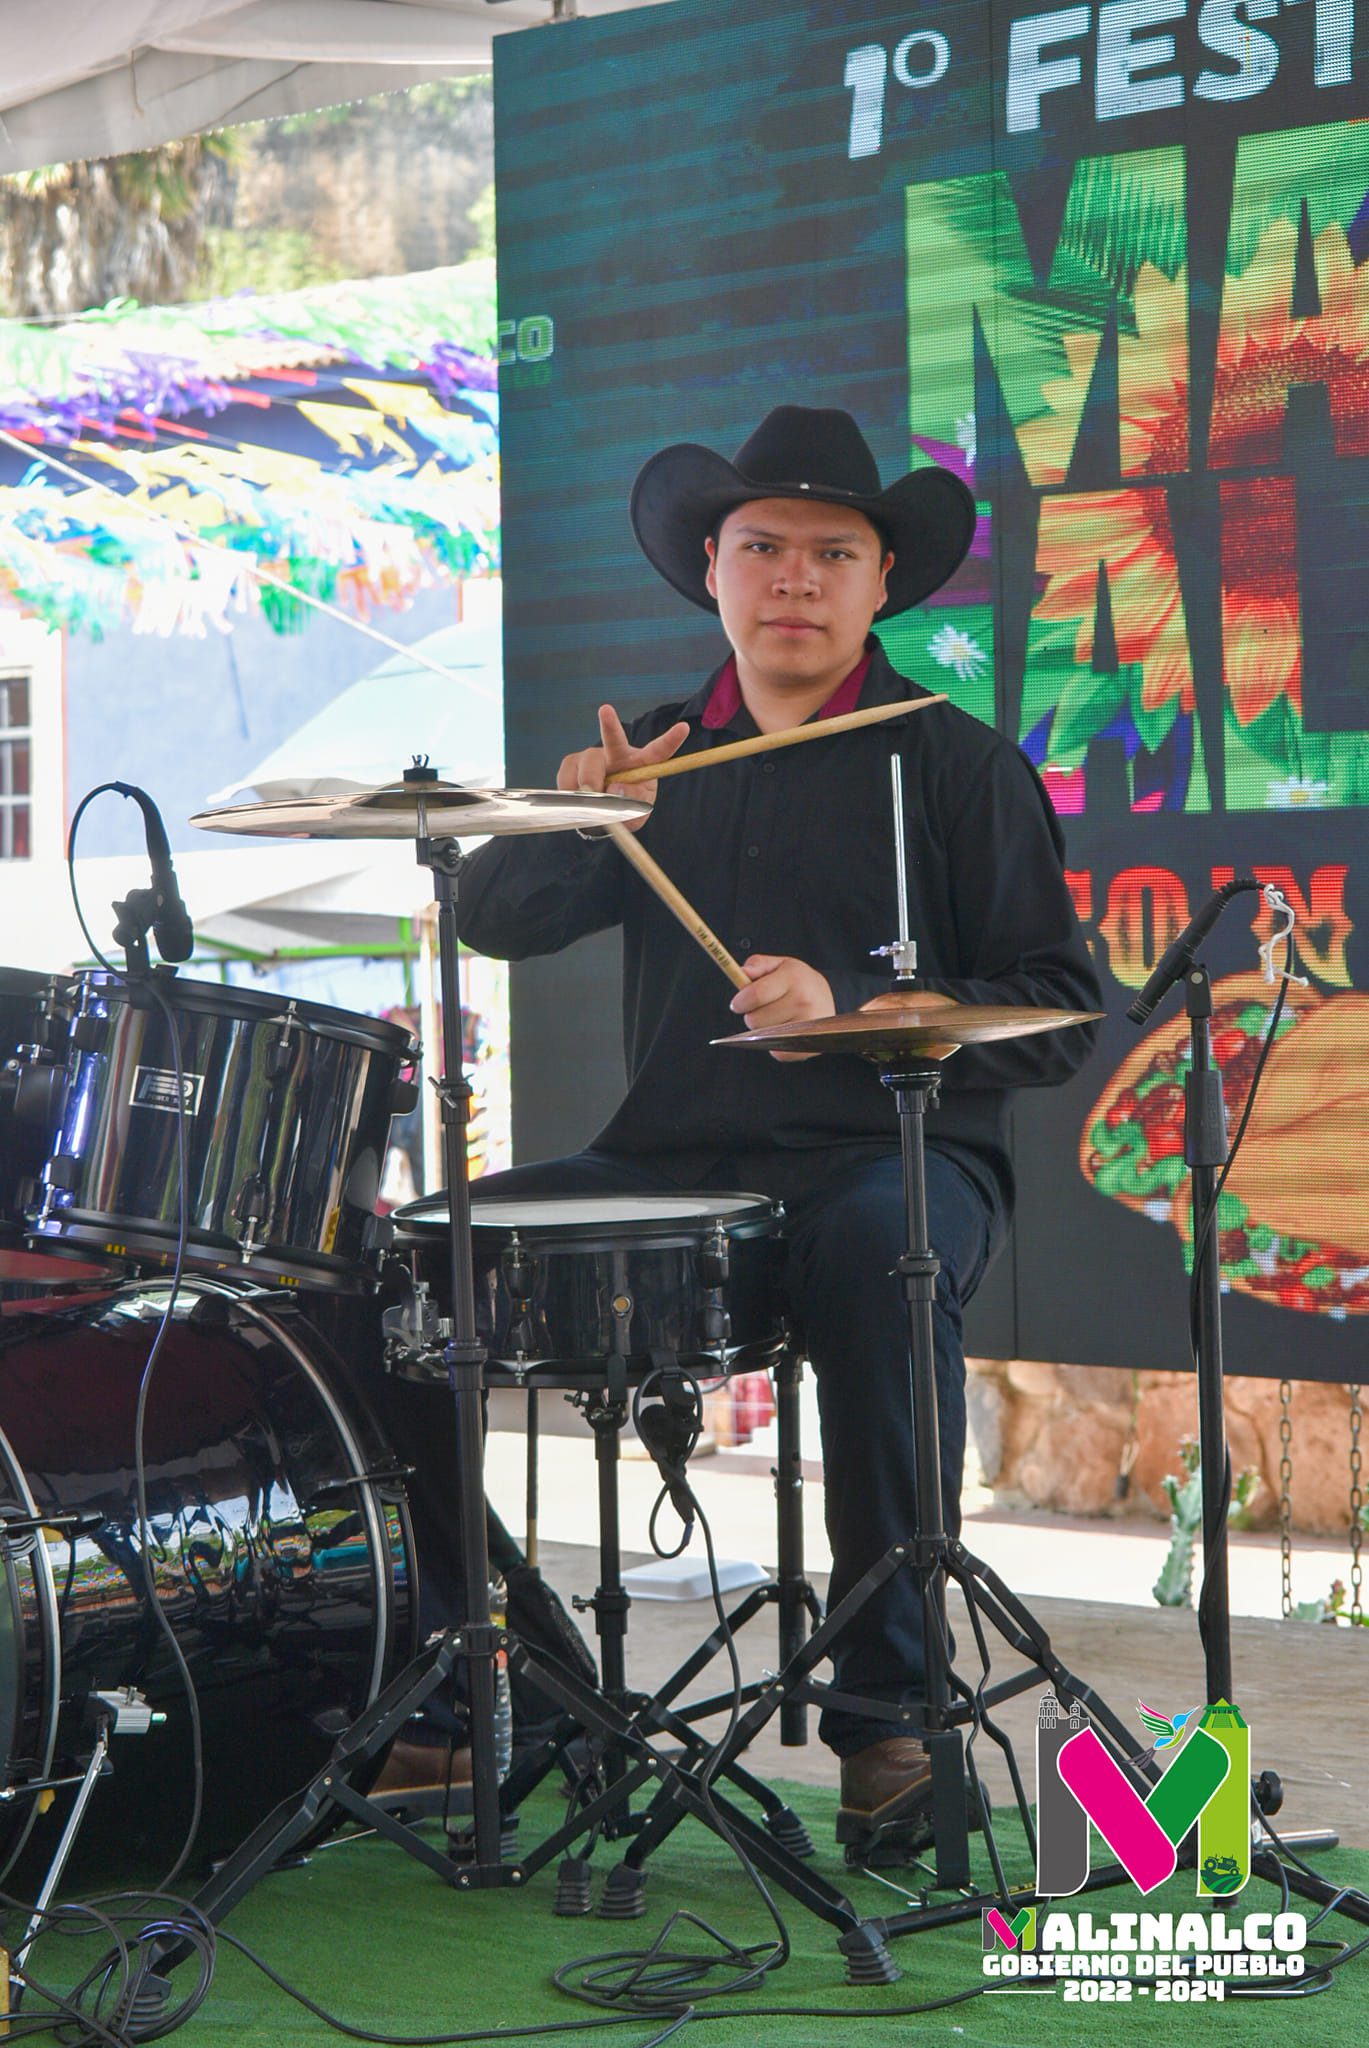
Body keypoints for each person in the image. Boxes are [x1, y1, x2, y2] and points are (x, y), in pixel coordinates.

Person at [450, 405, 1103, 1841]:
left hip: (891, 1159)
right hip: (672, 1157)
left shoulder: (953, 761)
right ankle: (487, 1684)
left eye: (829, 552)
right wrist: (572, 820)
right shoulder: (660, 758)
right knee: (413, 1269)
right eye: (762, 549)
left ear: (881, 585)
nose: (792, 578)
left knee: (881, 1264)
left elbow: (1060, 1009)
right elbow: (492, 921)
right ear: (712, 570)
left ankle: (892, 1725)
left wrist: (865, 1005)